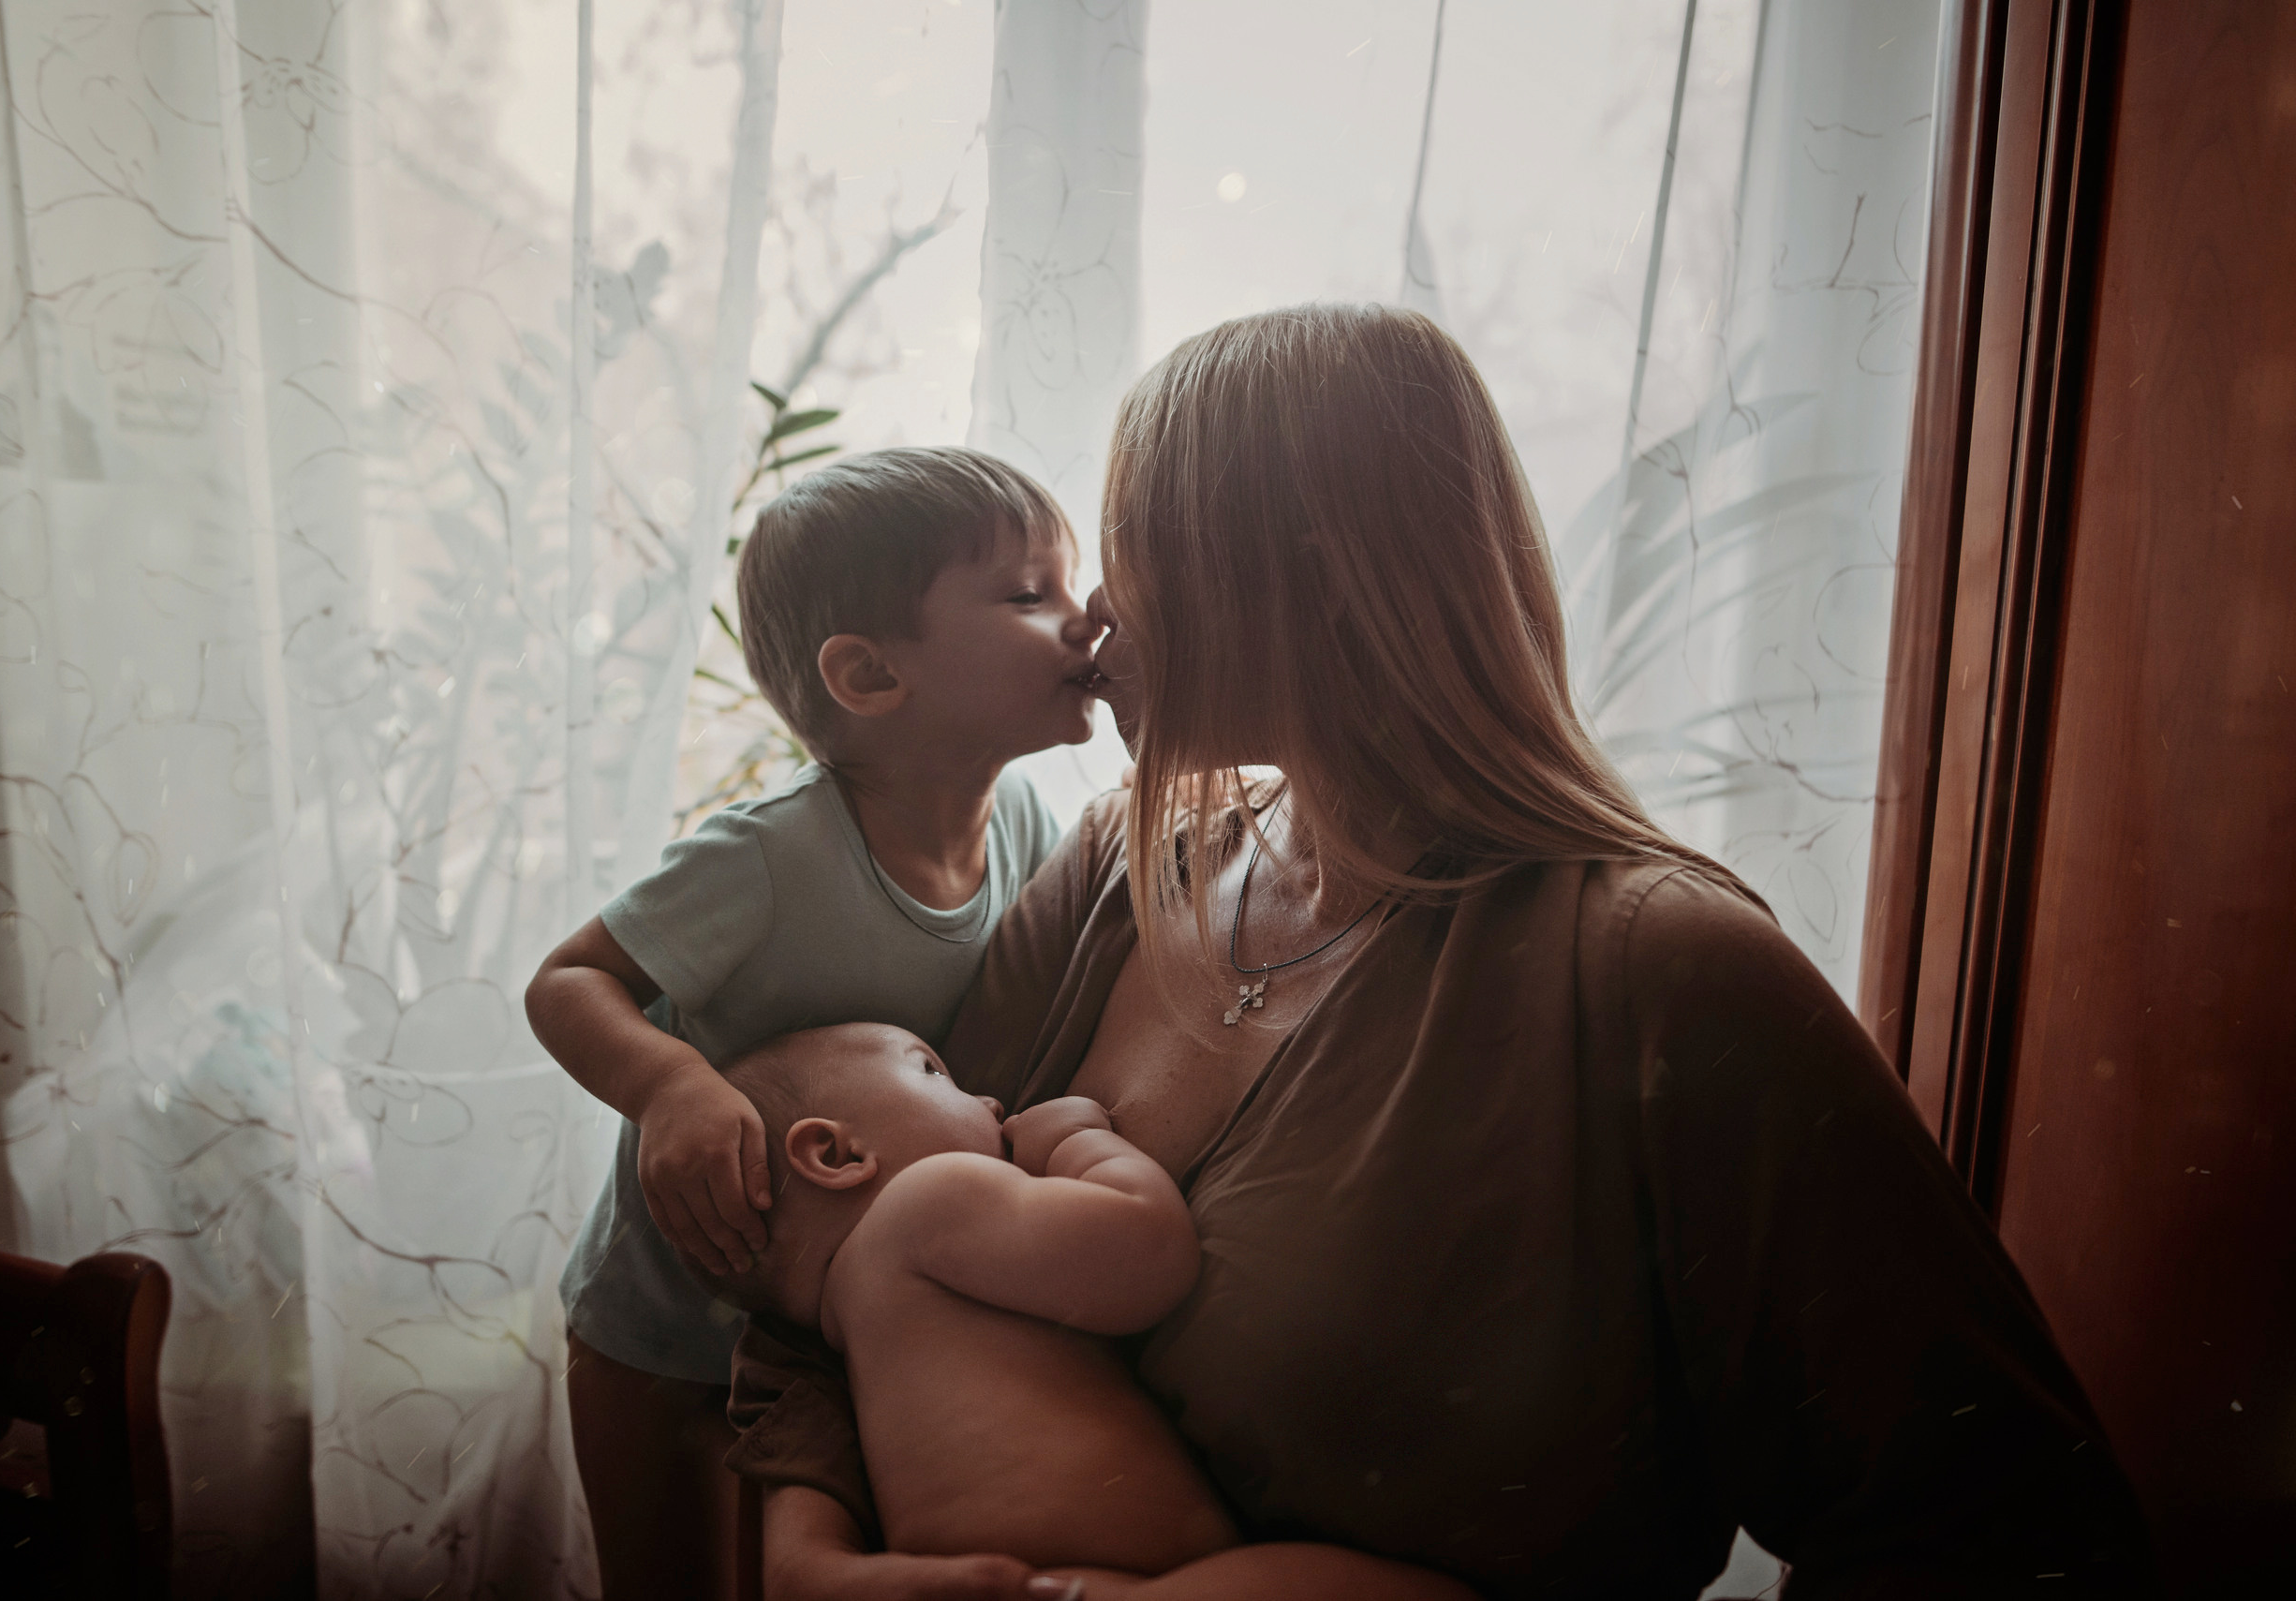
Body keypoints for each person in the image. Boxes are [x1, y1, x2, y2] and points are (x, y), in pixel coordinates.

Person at [725, 304, 2158, 1599]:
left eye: (1132, 553)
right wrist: (811, 1556)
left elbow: (2005, 1534)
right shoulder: (1115, 873)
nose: (1093, 619)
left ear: (1313, 585)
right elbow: (858, 1224)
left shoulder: (1662, 976)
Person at [524, 446, 1104, 1598]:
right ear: (870, 674)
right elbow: (567, 981)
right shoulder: (770, 853)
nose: (1084, 622)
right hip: (659, 1326)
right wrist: (669, 1084)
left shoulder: (1033, 828)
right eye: (1030, 595)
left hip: (835, 1338)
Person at [684, 1020, 1481, 1600]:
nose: (990, 1097)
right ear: (837, 1155)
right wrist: (1079, 1141)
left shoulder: (816, 1346)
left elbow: (799, 1566)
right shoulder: (927, 1202)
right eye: (934, 1072)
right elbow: (1148, 1255)